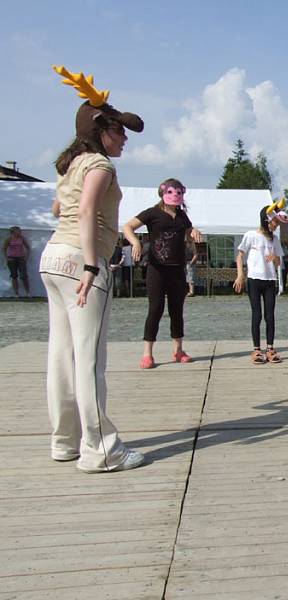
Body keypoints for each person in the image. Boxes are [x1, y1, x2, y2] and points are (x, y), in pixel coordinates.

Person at [38, 64, 145, 472]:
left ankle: (64, 441)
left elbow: (59, 207)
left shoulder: (72, 164)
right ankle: (100, 450)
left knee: (61, 355)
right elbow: (85, 211)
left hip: (52, 258)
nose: (123, 141)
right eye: (119, 132)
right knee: (88, 359)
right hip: (81, 262)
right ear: (101, 130)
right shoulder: (100, 165)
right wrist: (89, 264)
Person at [123, 178, 203, 369]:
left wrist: (194, 232)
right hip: (157, 268)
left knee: (177, 310)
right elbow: (128, 227)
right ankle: (147, 353)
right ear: (163, 193)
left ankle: (178, 350)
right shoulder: (153, 213)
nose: (175, 196)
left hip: (177, 269)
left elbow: (189, 229)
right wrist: (136, 242)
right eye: (171, 192)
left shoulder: (182, 216)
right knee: (156, 308)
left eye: (179, 193)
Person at [234, 200, 288, 364]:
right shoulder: (251, 235)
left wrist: (275, 259)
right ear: (266, 220)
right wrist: (240, 275)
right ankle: (257, 349)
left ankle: (270, 348)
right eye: (274, 222)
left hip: (270, 280)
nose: (276, 226)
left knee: (270, 315)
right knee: (256, 314)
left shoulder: (275, 239)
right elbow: (240, 255)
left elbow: (279, 262)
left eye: (278, 223)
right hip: (254, 279)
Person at [3, 226, 32, 298]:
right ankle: (16, 294)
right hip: (12, 259)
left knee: (24, 276)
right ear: (14, 232)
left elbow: (28, 247)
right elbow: (4, 248)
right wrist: (6, 258)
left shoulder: (21, 238)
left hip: (21, 258)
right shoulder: (9, 239)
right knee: (14, 276)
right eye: (18, 231)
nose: (20, 232)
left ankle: (28, 293)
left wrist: (26, 256)